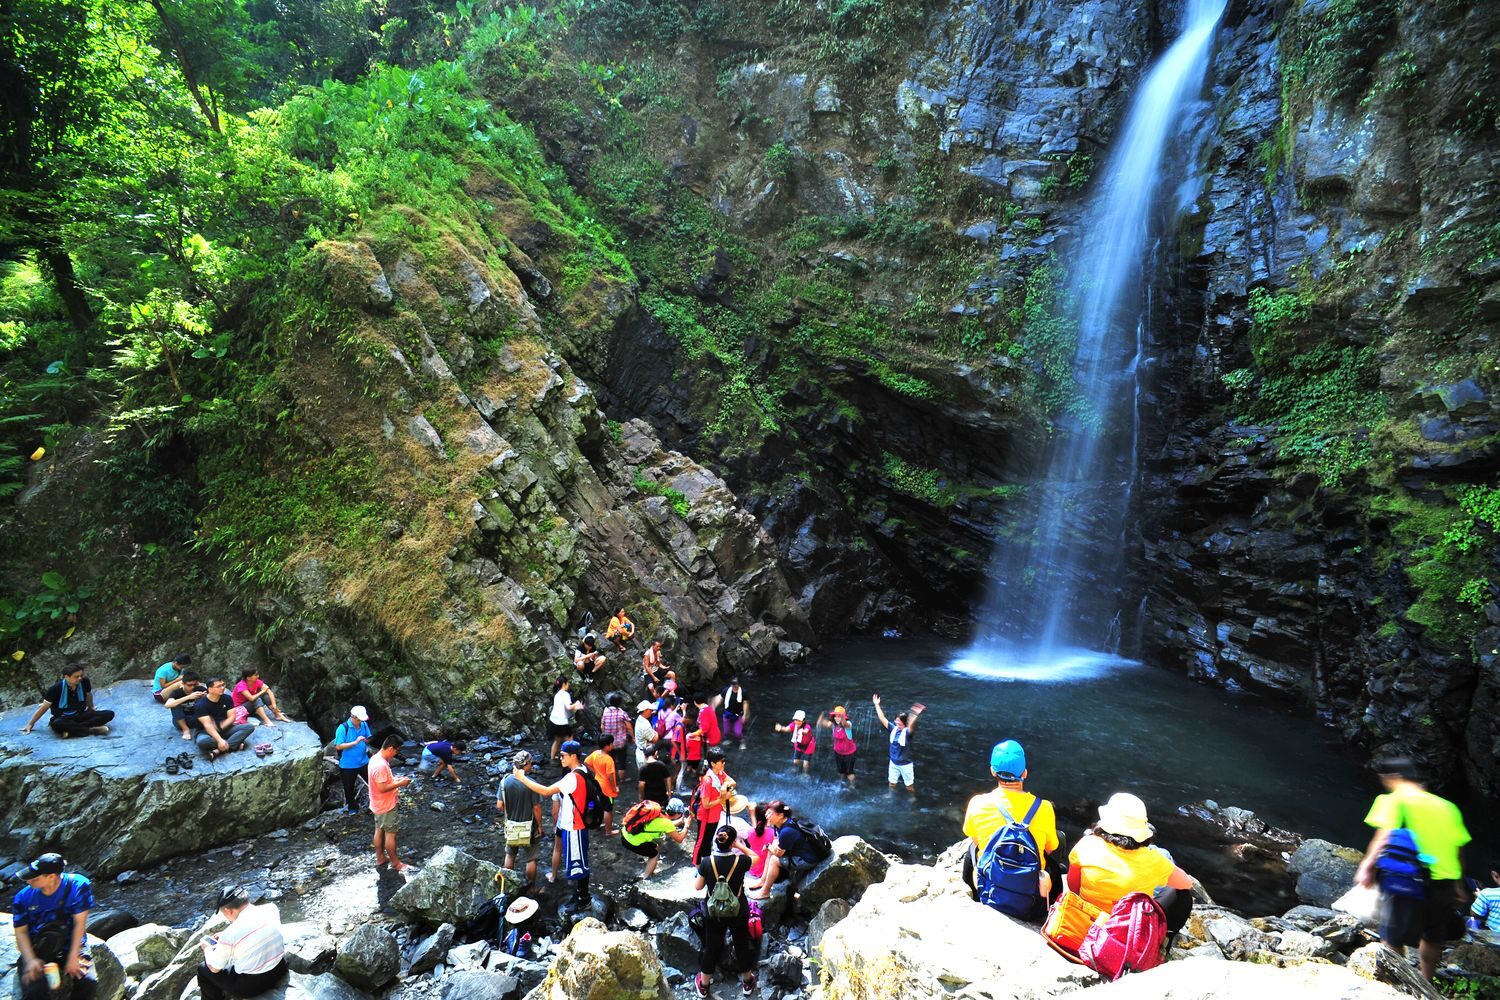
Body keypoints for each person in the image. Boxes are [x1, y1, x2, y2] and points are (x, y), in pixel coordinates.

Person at [1354, 755, 1472, 982]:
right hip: (1445, 880)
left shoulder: (1394, 800)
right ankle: (1426, 984)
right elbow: (1459, 851)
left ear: (1392, 777)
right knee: (1432, 936)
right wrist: (1459, 884)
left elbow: (1384, 835)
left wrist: (1367, 866)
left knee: (1392, 937)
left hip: (1409, 878)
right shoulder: (1449, 808)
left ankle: (1399, 984)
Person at [1068, 793, 1196, 936]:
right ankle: (1162, 939)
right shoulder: (1154, 859)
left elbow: (1073, 887)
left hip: (1085, 921)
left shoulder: (1087, 844)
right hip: (1127, 934)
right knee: (1181, 895)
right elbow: (1187, 883)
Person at [961, 740, 1062, 917]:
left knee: (971, 849)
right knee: (1059, 840)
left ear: (993, 771)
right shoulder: (1044, 807)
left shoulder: (978, 803)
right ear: (1024, 773)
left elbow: (977, 842)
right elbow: (1051, 848)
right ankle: (1050, 905)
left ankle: (974, 894)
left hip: (991, 891)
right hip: (1030, 898)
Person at [511, 740, 593, 906]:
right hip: (576, 824)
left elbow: (546, 791)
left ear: (573, 756)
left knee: (579, 864)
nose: (560, 758)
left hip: (575, 826)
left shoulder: (572, 778)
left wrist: (521, 777)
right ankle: (579, 896)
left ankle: (583, 900)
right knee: (578, 862)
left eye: (563, 755)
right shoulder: (584, 770)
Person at [11, 853, 96, 1000]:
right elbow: (21, 932)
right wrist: (30, 959)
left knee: (88, 983)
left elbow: (79, 923)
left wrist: (74, 956)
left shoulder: (78, 886)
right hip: (38, 947)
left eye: (35, 878)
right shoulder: (23, 898)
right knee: (36, 990)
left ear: (51, 876)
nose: (28, 881)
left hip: (71, 944)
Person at [693, 826, 758, 997]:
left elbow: (698, 886)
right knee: (741, 944)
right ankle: (747, 981)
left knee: (712, 946)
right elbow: (756, 857)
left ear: (717, 840)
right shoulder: (741, 861)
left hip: (713, 912)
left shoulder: (707, 861)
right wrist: (740, 845)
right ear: (732, 843)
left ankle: (704, 984)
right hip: (738, 910)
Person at [196, 887, 287, 1000]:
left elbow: (214, 968)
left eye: (224, 914)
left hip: (251, 987)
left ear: (229, 911)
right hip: (279, 969)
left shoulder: (230, 935)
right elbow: (253, 927)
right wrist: (226, 934)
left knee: (203, 969)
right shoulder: (271, 908)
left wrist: (207, 949)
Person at [20, 664, 115, 738]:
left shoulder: (84, 682)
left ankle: (71, 730)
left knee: (109, 714)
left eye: (81, 675)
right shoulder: (55, 688)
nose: (80, 678)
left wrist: (91, 708)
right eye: (76, 676)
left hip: (80, 714)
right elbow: (44, 707)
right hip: (63, 717)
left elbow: (88, 694)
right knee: (57, 724)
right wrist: (31, 723)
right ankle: (91, 730)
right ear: (67, 677)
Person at [750, 801, 820, 901]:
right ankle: (763, 880)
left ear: (780, 815)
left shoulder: (787, 831)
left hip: (806, 859)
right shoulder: (779, 824)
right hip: (798, 852)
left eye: (770, 814)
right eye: (767, 813)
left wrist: (770, 847)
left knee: (774, 859)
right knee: (771, 849)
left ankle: (765, 892)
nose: (767, 816)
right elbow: (776, 840)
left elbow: (778, 854)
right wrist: (771, 847)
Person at [369, 733, 417, 873]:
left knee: (379, 830)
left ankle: (380, 858)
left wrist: (395, 780)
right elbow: (382, 788)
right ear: (391, 748)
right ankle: (396, 864)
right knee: (391, 834)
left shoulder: (375, 758)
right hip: (386, 805)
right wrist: (401, 784)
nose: (397, 753)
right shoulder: (381, 765)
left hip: (377, 803)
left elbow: (382, 781)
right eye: (397, 750)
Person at [499, 750, 544, 887]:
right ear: (526, 765)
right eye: (530, 763)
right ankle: (530, 889)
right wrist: (540, 827)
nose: (531, 765)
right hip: (529, 827)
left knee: (510, 854)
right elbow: (536, 808)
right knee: (531, 858)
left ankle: (506, 886)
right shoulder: (531, 783)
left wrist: (510, 813)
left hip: (512, 825)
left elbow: (499, 805)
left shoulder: (504, 782)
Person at [623, 797, 690, 878]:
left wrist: (680, 821)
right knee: (654, 853)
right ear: (678, 814)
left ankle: (650, 869)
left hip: (625, 834)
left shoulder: (658, 813)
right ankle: (647, 877)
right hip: (631, 842)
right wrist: (687, 825)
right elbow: (679, 839)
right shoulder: (666, 823)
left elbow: (665, 825)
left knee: (655, 847)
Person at [192, 678, 257, 760]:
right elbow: (207, 725)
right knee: (202, 742)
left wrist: (221, 728)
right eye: (219, 686)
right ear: (210, 689)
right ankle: (234, 743)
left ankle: (218, 751)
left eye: (223, 685)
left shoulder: (227, 698)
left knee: (249, 727)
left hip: (225, 728)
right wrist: (219, 740)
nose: (222, 688)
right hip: (206, 732)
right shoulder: (200, 704)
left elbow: (232, 717)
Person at [872, 694, 924, 792]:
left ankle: (912, 798)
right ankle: (891, 796)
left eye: (899, 721)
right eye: (896, 720)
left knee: (909, 786)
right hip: (893, 763)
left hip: (905, 764)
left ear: (904, 722)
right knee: (891, 783)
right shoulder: (893, 729)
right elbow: (883, 719)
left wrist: (915, 713)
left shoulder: (908, 732)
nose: (896, 722)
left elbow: (911, 724)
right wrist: (877, 705)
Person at [692, 748, 736, 866]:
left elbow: (733, 782)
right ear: (713, 763)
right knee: (701, 842)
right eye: (721, 761)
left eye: (724, 761)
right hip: (705, 816)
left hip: (715, 815)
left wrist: (725, 786)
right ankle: (697, 865)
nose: (724, 763)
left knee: (708, 841)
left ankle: (705, 863)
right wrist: (722, 799)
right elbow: (706, 804)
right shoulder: (708, 780)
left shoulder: (720, 774)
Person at [333, 706, 372, 814]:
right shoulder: (342, 728)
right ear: (353, 717)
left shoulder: (363, 724)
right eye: (359, 719)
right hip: (348, 765)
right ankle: (352, 808)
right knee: (349, 788)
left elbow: (368, 737)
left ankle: (375, 804)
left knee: (373, 783)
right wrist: (355, 742)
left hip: (364, 761)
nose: (360, 721)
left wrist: (366, 741)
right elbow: (338, 746)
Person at [585, 735, 620, 836]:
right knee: (608, 809)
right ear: (607, 746)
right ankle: (608, 831)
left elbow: (586, 762)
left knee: (599, 805)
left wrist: (595, 771)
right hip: (607, 788)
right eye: (611, 743)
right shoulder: (608, 759)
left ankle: (597, 825)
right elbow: (610, 776)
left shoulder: (596, 753)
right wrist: (614, 788)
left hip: (597, 783)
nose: (613, 745)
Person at [743, 803, 778, 892]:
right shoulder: (773, 834)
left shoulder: (751, 832)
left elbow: (755, 830)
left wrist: (752, 815)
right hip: (768, 871)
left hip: (754, 869)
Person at [817, 706, 857, 783]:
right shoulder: (833, 724)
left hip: (849, 753)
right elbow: (822, 723)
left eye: (840, 716)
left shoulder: (848, 724)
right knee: (841, 771)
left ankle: (852, 787)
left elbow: (845, 724)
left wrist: (842, 717)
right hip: (838, 752)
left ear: (844, 717)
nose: (837, 718)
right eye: (836, 716)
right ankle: (841, 783)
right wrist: (821, 714)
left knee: (849, 772)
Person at [548, 678, 583, 765]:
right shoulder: (565, 694)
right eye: (568, 683)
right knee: (569, 741)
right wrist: (577, 704)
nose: (569, 685)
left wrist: (576, 706)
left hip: (553, 720)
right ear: (564, 684)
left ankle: (552, 758)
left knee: (557, 740)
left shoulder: (557, 694)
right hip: (561, 722)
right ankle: (568, 759)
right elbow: (569, 707)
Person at [163, 673, 206, 740]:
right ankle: (186, 730)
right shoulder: (177, 692)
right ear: (183, 684)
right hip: (181, 721)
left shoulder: (200, 689)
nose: (192, 687)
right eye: (189, 685)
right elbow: (167, 705)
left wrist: (206, 697)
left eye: (195, 685)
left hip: (197, 719)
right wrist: (188, 697)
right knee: (175, 704)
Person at [599, 693, 632, 777]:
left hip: (609, 742)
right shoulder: (622, 713)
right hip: (620, 742)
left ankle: (611, 778)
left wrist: (604, 735)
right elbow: (629, 727)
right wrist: (633, 737)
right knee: (621, 760)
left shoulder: (605, 711)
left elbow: (602, 725)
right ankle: (622, 778)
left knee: (610, 759)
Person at [679, 705, 706, 789]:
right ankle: (693, 777)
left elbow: (686, 746)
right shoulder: (700, 738)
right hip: (697, 757)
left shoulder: (688, 737)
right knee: (694, 769)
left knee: (688, 766)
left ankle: (687, 773)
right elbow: (702, 745)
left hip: (689, 756)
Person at [1471, 866, 1500, 940]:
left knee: (1468, 920)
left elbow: (1475, 914)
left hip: (1494, 939)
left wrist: (1479, 898)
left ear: (1495, 876)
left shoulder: (1487, 893)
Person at [721, 678, 749, 750]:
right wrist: (713, 705)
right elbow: (720, 698)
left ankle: (742, 741)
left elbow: (745, 703)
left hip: (738, 714)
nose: (734, 686)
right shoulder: (726, 690)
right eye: (733, 684)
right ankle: (729, 739)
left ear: (739, 684)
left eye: (735, 684)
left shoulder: (743, 692)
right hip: (727, 713)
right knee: (726, 731)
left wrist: (745, 715)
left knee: (738, 733)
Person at [634, 700, 661, 771]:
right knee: (649, 778)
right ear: (645, 710)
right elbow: (655, 739)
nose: (651, 711)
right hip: (645, 756)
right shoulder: (645, 725)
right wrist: (656, 733)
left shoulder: (640, 719)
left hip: (640, 751)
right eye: (650, 710)